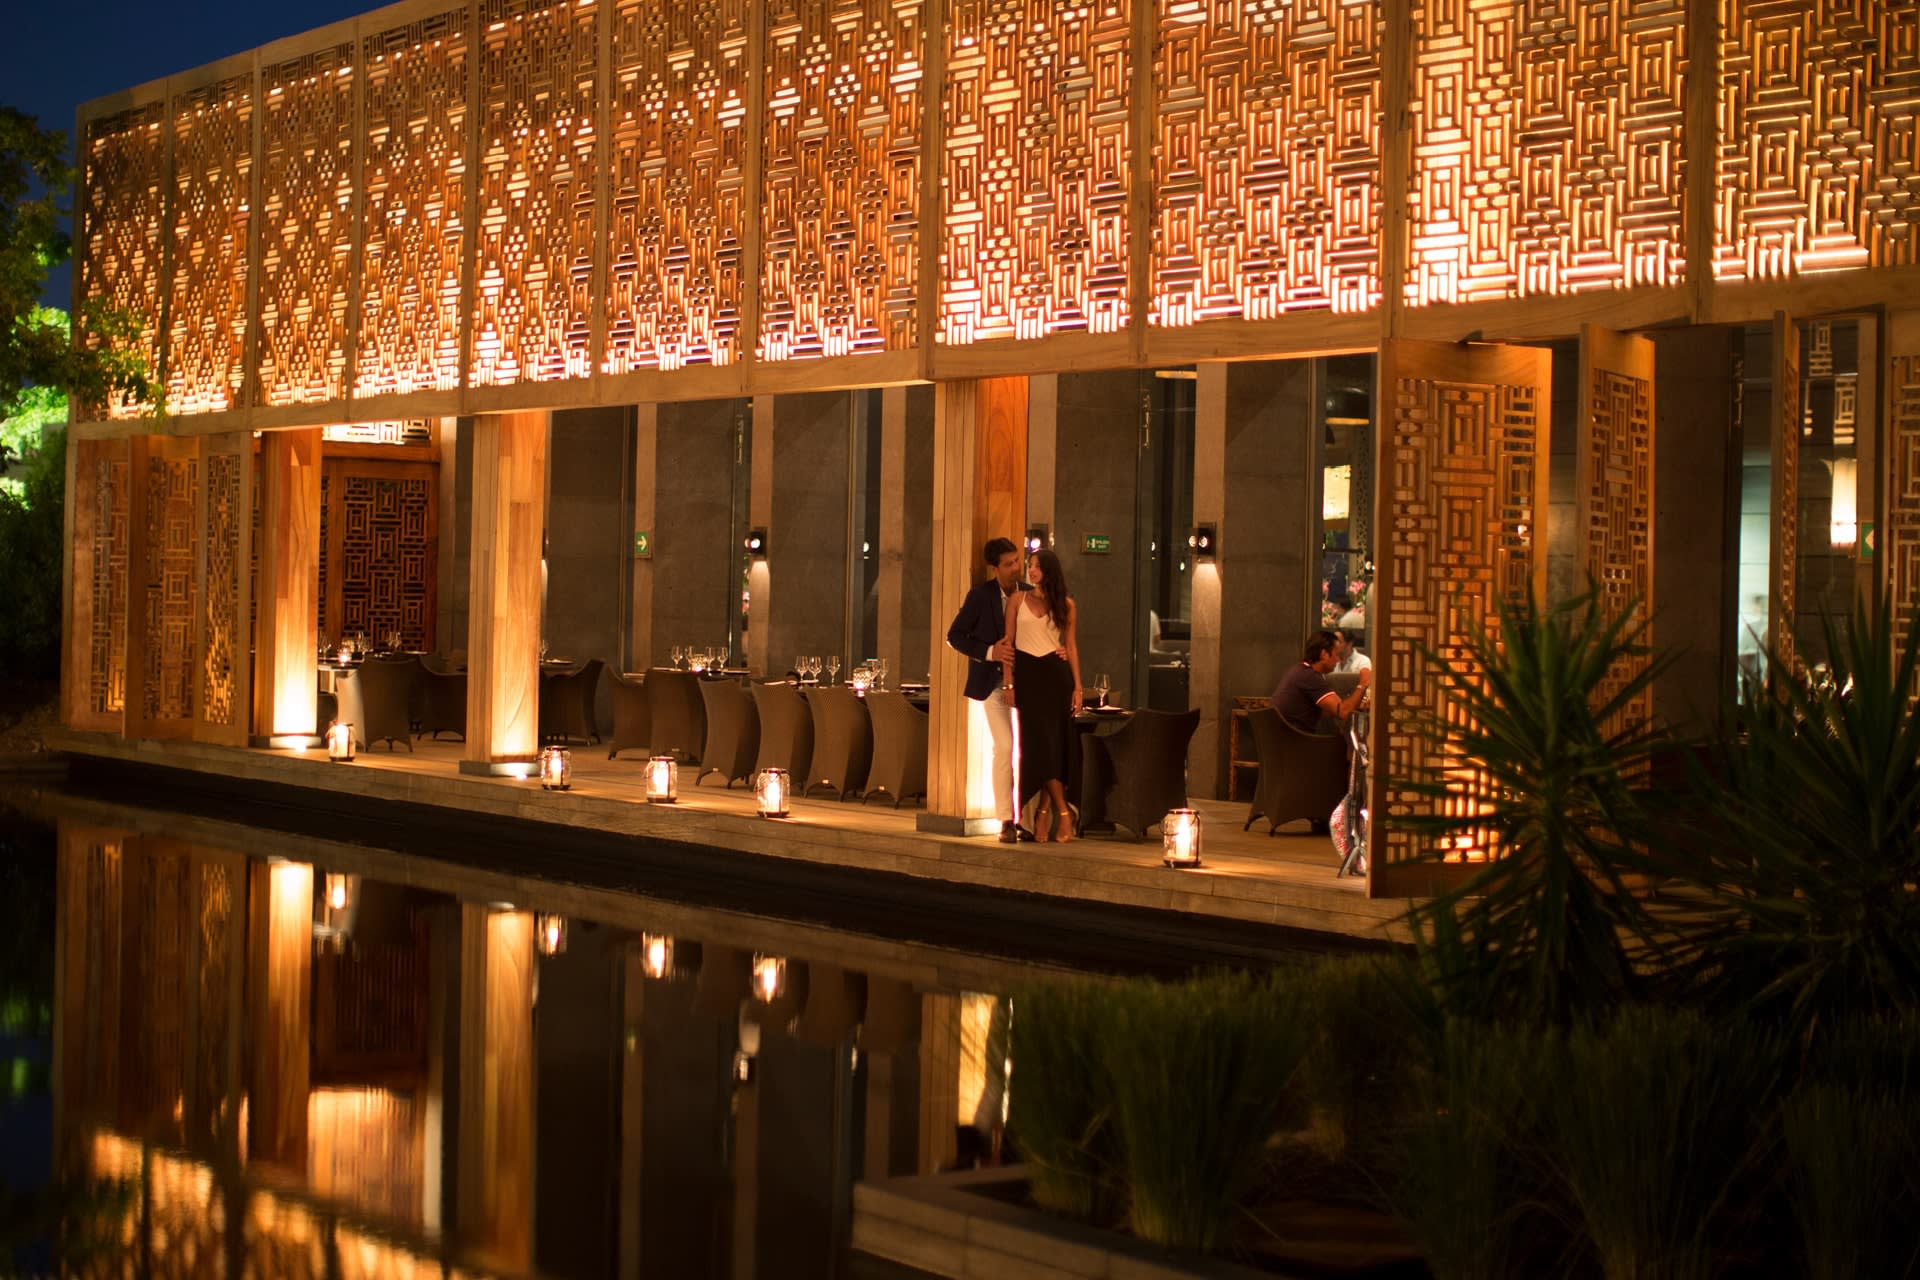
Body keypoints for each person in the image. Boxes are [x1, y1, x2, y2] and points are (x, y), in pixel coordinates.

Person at [945, 537, 1030, 843]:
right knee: (1005, 748)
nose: (1015, 568)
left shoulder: (1031, 594)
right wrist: (991, 652)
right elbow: (954, 636)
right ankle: (1005, 819)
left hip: (1028, 685)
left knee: (1029, 752)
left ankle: (1031, 819)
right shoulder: (980, 596)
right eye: (1008, 564)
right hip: (993, 685)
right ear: (994, 568)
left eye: (1017, 561)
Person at [1003, 548, 1084, 843]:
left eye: (1036, 566)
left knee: (1054, 746)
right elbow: (1008, 645)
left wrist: (1078, 687)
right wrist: (1008, 684)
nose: (1031, 570)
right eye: (1030, 565)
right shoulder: (1017, 600)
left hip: (1055, 677)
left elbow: (1071, 646)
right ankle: (1063, 814)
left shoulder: (1066, 605)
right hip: (1027, 678)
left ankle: (1046, 814)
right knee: (1037, 748)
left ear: (1049, 570)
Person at [1272, 630, 1369, 736]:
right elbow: (1343, 712)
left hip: (1284, 741)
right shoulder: (1309, 676)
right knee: (1347, 742)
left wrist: (1355, 703)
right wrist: (1363, 683)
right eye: (1336, 655)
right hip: (1296, 743)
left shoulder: (1302, 670)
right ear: (1324, 654)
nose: (1338, 660)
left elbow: (1328, 712)